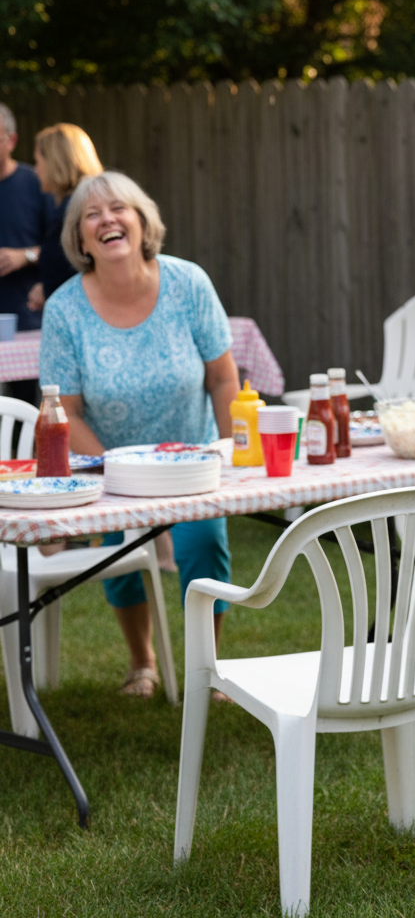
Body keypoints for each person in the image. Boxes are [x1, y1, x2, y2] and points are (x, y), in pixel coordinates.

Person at [40, 171, 240, 698]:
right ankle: (142, 662)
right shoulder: (64, 309)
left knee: (204, 545)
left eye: (119, 208)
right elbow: (68, 411)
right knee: (117, 553)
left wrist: (231, 451)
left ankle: (208, 668)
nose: (107, 219)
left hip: (194, 465)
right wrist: (118, 472)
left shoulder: (188, 283)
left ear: (142, 220)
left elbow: (222, 377)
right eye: (92, 214)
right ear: (81, 239)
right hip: (111, 468)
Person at [0, 103, 48, 403]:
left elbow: (66, 247)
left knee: (25, 406)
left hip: (26, 315)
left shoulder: (35, 182)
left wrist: (25, 256)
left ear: (11, 140)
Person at [29, 123, 103, 311]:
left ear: (55, 161)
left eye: (38, 162)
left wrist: (47, 290)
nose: (35, 170)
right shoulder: (76, 204)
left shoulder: (78, 210)